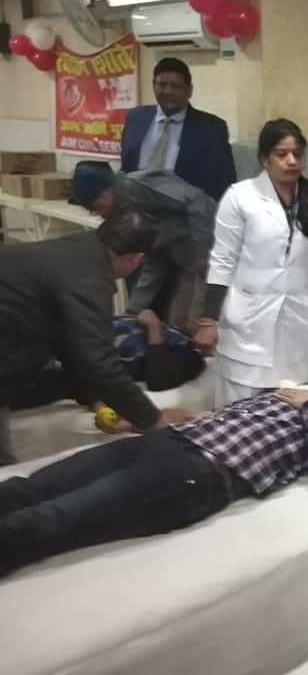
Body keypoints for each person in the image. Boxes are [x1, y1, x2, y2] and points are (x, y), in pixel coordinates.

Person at [0, 378, 308, 578]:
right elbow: (224, 416)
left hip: (199, 472)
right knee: (36, 486)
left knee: (55, 515)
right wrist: (143, 423)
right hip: (167, 441)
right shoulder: (293, 392)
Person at [0, 213, 194, 466]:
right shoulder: (89, 279)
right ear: (136, 259)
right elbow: (99, 361)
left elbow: (68, 341)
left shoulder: (78, 247)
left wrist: (92, 398)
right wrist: (152, 419)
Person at [194, 119, 308, 406]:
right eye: (281, 154)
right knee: (240, 408)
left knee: (294, 404)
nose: (291, 161)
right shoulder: (240, 197)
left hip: (299, 323)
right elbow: (222, 261)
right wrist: (209, 319)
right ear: (265, 158)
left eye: (297, 154)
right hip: (248, 323)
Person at [71, 161, 216, 329]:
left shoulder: (136, 186)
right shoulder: (126, 211)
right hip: (188, 257)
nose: (99, 214)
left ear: (105, 192)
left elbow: (197, 201)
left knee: (199, 325)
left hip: (213, 247)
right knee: (179, 322)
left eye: (96, 207)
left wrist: (203, 252)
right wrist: (132, 312)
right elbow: (154, 258)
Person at [9, 309, 206, 411]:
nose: (202, 321)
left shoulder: (192, 357)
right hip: (60, 340)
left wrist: (153, 326)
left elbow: (159, 379)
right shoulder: (173, 331)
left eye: (210, 324)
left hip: (72, 368)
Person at [120, 57, 237, 202]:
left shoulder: (212, 128)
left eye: (175, 86)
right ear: (154, 85)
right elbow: (126, 167)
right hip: (135, 207)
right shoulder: (135, 118)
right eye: (162, 85)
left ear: (189, 90)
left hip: (185, 212)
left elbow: (225, 181)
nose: (168, 91)